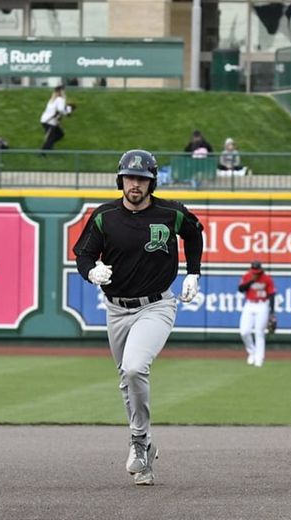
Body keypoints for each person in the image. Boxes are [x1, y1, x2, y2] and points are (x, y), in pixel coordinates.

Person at [72, 149, 205, 486]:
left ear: (151, 182)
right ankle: (144, 449)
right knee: (126, 379)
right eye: (130, 177)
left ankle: (136, 440)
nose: (135, 184)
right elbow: (83, 254)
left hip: (157, 305)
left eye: (142, 178)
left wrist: (194, 273)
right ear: (121, 180)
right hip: (116, 308)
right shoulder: (105, 216)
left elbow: (194, 232)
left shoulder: (169, 212)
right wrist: (91, 272)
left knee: (134, 367)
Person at [237, 260, 277, 367]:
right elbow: (240, 289)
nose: (255, 273)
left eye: (257, 271)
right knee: (244, 331)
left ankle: (259, 358)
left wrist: (272, 313)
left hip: (262, 305)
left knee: (259, 332)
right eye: (253, 271)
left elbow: (272, 295)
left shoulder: (267, 279)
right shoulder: (247, 276)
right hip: (249, 305)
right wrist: (251, 281)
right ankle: (252, 352)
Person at [39, 85, 72, 153]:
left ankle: (49, 146)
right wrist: (68, 112)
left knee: (60, 134)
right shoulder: (60, 99)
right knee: (50, 138)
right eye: (63, 91)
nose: (64, 92)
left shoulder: (53, 99)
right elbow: (61, 109)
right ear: (61, 92)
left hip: (47, 121)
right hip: (50, 122)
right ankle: (42, 153)